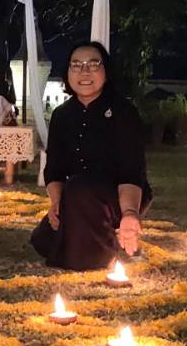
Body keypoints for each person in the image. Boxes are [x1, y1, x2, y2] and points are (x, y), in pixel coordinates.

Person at [30, 41, 151, 270]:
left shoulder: (124, 112)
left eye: (93, 64)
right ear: (67, 72)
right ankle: (93, 232)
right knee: (42, 240)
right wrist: (56, 204)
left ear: (106, 70)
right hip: (75, 194)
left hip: (119, 195)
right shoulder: (62, 115)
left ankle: (94, 256)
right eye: (76, 65)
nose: (84, 72)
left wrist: (129, 212)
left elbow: (132, 171)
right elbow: (54, 168)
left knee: (80, 188)